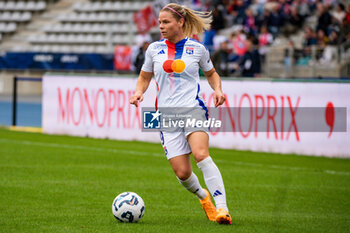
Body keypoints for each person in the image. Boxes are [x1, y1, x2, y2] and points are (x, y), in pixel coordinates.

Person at [129, 3, 232, 225]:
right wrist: (139, 92)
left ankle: (223, 209)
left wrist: (218, 89)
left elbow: (212, 74)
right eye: (159, 22)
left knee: (201, 155)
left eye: (166, 22)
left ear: (180, 23)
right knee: (183, 173)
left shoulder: (197, 49)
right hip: (165, 117)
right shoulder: (154, 49)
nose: (161, 26)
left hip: (192, 109)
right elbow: (145, 77)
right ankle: (204, 197)